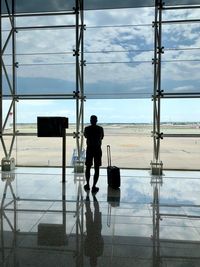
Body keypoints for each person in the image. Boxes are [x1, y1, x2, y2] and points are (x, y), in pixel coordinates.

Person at [84, 115, 104, 194]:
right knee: (97, 168)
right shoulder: (100, 129)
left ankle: (88, 184)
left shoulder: (87, 129)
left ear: (90, 120)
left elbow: (85, 136)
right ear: (96, 120)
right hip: (97, 149)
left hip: (89, 149)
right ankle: (94, 186)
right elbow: (102, 137)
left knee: (88, 167)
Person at [84, 195, 104, 267]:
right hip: (90, 231)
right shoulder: (87, 253)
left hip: (97, 230)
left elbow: (102, 243)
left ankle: (94, 196)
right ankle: (87, 195)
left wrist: (99, 236)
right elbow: (85, 242)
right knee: (88, 210)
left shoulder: (99, 253)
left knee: (96, 210)